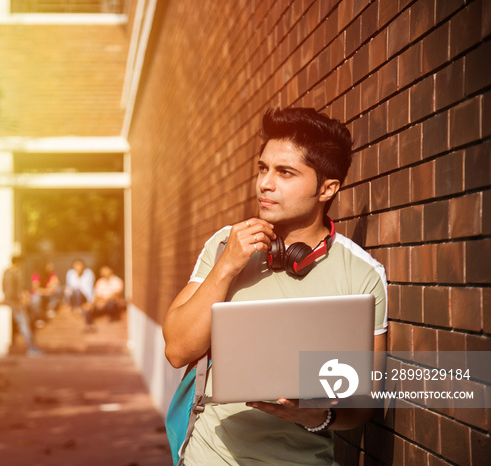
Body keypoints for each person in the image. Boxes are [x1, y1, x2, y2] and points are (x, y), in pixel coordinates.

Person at [162, 107, 387, 465]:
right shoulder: (225, 245)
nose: (265, 183)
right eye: (263, 168)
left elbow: (364, 403)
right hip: (210, 455)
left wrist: (318, 416)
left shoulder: (362, 275)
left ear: (327, 187)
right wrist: (225, 269)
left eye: (285, 172)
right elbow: (177, 350)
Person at [2, 255, 42, 356]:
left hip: (18, 303)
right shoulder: (9, 274)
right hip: (15, 304)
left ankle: (31, 347)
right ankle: (31, 348)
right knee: (24, 325)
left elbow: (19, 289)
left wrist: (24, 295)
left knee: (26, 323)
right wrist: (21, 299)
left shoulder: (16, 273)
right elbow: (9, 293)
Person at [65, 259, 96, 332]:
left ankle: (89, 325)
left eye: (80, 265)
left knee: (86, 308)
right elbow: (70, 288)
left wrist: (91, 301)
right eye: (76, 265)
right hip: (73, 297)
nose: (78, 267)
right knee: (76, 291)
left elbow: (90, 288)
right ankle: (77, 307)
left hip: (84, 297)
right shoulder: (70, 274)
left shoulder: (88, 273)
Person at [30, 261, 62, 327]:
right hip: (39, 295)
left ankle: (50, 309)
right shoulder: (36, 275)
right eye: (49, 266)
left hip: (47, 294)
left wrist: (51, 288)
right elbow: (36, 289)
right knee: (36, 298)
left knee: (58, 289)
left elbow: (56, 284)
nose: (51, 267)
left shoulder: (51, 274)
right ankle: (38, 318)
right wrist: (46, 291)